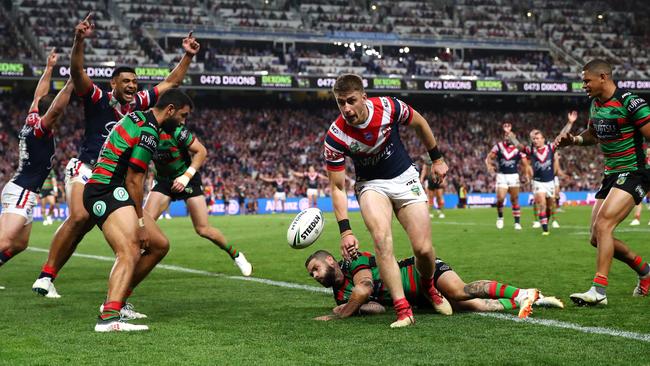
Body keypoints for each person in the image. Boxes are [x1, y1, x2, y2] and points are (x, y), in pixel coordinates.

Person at [32, 14, 200, 298]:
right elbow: (77, 73)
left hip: (117, 181)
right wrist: (79, 40)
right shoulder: (97, 98)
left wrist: (187, 56)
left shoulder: (141, 105)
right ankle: (47, 276)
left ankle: (119, 297)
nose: (132, 85)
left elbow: (171, 83)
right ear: (113, 83)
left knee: (140, 240)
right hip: (87, 167)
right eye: (126, 81)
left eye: (135, 81)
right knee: (80, 217)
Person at [323, 74, 452, 328]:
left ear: (364, 97)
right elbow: (337, 187)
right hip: (371, 185)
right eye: (341, 103)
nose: (346, 108)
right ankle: (403, 309)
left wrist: (437, 159)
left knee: (424, 250)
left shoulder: (389, 107)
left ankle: (428, 287)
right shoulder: (336, 136)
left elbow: (420, 122)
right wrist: (345, 230)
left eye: (351, 101)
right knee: (382, 239)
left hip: (404, 177)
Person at [84, 88, 192, 332]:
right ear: (170, 110)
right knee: (130, 248)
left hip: (110, 188)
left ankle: (117, 302)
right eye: (183, 117)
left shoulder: (140, 117)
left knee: (159, 245)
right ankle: (109, 318)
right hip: (106, 189)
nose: (183, 123)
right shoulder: (150, 132)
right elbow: (134, 178)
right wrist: (141, 224)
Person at [556, 59, 650, 305]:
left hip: (634, 172)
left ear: (603, 78)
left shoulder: (630, 102)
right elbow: (593, 135)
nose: (584, 85)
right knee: (596, 237)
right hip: (611, 174)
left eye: (587, 80)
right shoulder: (595, 104)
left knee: (605, 224)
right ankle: (646, 272)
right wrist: (574, 141)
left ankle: (599, 290)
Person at [306, 250, 561, 320]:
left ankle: (523, 293)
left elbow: (364, 289)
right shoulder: (340, 296)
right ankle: (535, 299)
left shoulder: (354, 262)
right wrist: (358, 308)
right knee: (480, 307)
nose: (315, 275)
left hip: (421, 273)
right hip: (420, 300)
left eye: (316, 268)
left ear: (330, 260)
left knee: (461, 291)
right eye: (311, 274)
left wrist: (343, 314)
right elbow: (378, 309)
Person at [0, 48, 73, 289]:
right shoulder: (41, 128)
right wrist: (73, 80)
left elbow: (38, 95)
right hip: (23, 190)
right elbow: (56, 107)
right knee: (5, 240)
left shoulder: (32, 119)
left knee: (20, 244)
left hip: (23, 188)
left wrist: (50, 68)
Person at [143, 123, 252, 276]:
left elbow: (201, 151)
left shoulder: (177, 131)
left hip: (187, 178)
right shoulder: (146, 132)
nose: (183, 121)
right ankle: (134, 264)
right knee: (143, 224)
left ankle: (236, 255)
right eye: (183, 115)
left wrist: (185, 178)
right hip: (164, 181)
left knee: (203, 229)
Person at [507, 128, 562, 235]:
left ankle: (545, 219)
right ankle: (545, 230)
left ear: (543, 139)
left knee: (549, 208)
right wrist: (510, 135)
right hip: (538, 182)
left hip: (550, 182)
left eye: (537, 138)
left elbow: (562, 134)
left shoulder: (551, 148)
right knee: (541, 204)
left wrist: (570, 123)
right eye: (534, 139)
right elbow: (519, 146)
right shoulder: (531, 150)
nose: (535, 140)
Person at [485, 123, 529, 230]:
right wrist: (489, 165)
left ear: (514, 137)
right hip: (502, 176)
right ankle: (500, 218)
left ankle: (517, 223)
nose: (508, 137)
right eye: (506, 136)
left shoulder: (518, 148)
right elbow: (489, 157)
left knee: (514, 199)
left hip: (514, 176)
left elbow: (525, 163)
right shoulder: (498, 146)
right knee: (500, 198)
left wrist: (526, 174)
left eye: (510, 136)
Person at [421, 154, 446, 219]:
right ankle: (430, 212)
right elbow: (424, 170)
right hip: (430, 180)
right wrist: (421, 179)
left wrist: (444, 180)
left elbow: (444, 171)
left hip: (438, 179)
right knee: (430, 197)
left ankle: (441, 212)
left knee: (439, 196)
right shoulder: (427, 161)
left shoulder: (439, 159)